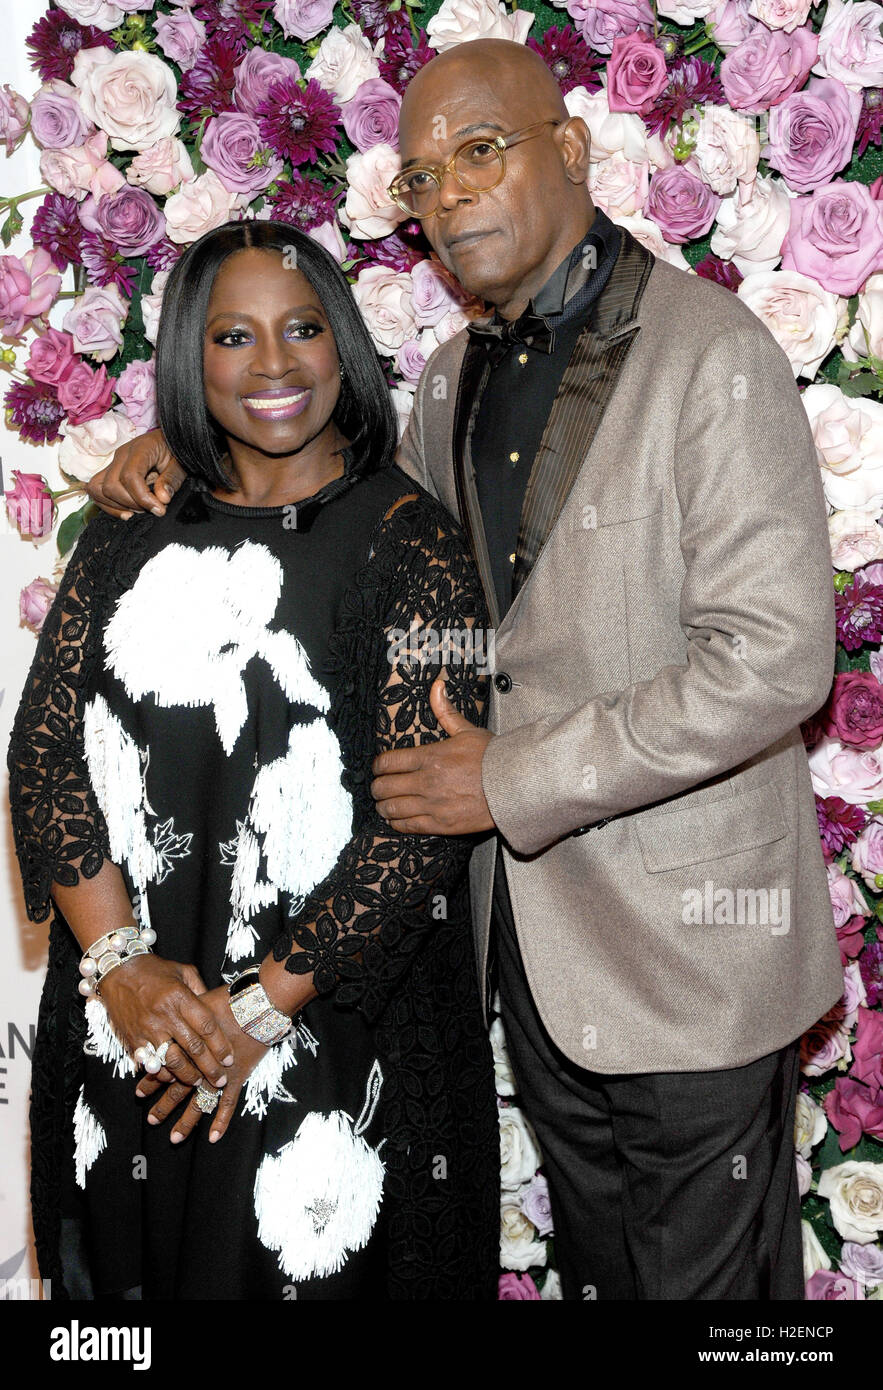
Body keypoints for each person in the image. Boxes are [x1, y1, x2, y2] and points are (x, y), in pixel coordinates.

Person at [85, 39, 843, 1301]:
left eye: (478, 153)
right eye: (421, 177)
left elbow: (772, 660)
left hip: (697, 961)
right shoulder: (447, 379)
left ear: (571, 149)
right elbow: (353, 543)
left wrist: (513, 778)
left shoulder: (712, 356)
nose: (447, 197)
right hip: (537, 955)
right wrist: (171, 454)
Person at [8, 218, 500, 1301]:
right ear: (190, 355)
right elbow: (43, 754)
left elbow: (421, 825)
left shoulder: (417, 546)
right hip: (131, 1028)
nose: (273, 365)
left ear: (345, 346)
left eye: (302, 329)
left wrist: (260, 1008)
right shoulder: (128, 531)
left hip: (329, 1031)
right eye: (233, 336)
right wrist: (117, 967)